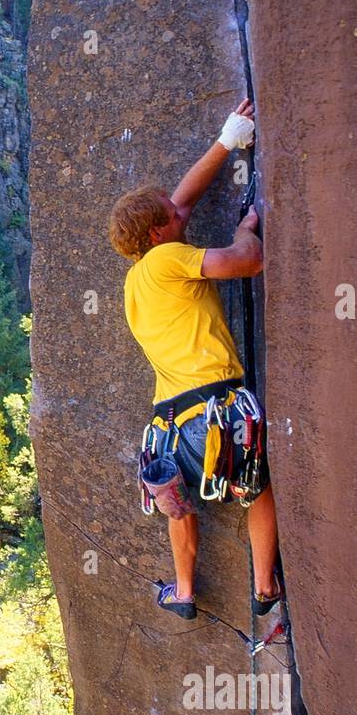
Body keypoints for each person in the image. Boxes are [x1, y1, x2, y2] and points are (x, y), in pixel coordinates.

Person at [108, 99, 283, 620]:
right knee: (256, 487)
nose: (179, 209)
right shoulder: (169, 257)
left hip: (168, 421)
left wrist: (228, 139)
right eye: (170, 212)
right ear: (158, 233)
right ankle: (265, 586)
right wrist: (246, 227)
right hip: (217, 407)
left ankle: (185, 592)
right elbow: (248, 262)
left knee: (178, 505)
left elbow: (178, 205)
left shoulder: (138, 276)